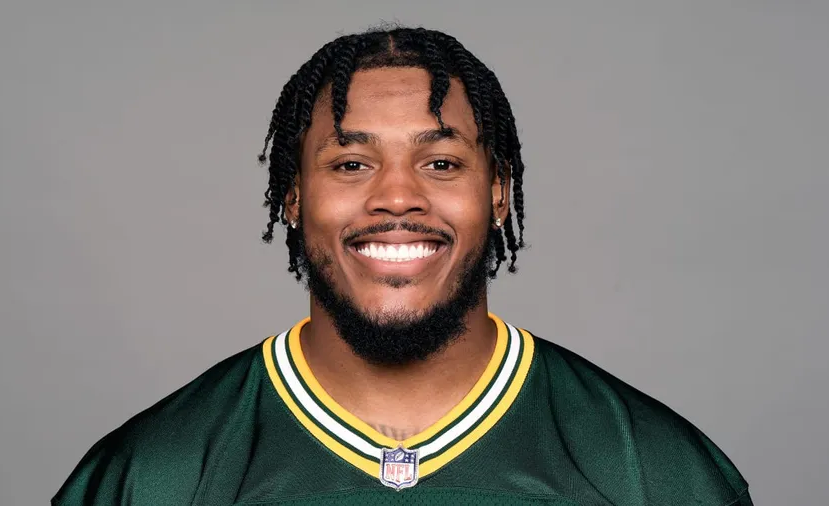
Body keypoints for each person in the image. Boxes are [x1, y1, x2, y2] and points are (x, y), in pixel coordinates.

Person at [52, 26, 752, 505]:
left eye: (440, 163)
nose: (395, 196)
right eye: (351, 164)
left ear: (499, 194)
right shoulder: (155, 475)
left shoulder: (654, 473)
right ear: (293, 196)